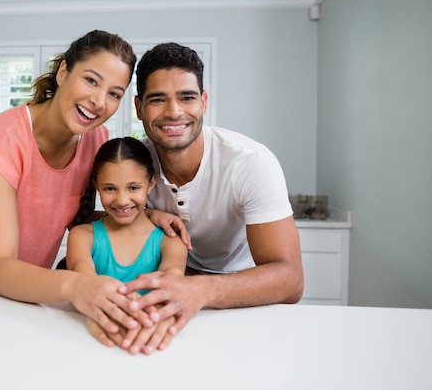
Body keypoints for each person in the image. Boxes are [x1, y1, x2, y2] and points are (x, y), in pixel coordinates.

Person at [0, 30, 182, 337]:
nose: (99, 101)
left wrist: (148, 216)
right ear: (63, 71)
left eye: (114, 93)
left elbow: (79, 219)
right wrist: (79, 285)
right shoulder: (4, 137)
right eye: (91, 80)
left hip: (29, 276)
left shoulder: (96, 140)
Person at [86, 42, 304, 353]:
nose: (174, 112)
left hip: (240, 296)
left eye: (186, 97)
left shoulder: (250, 162)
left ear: (203, 102)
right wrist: (149, 215)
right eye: (158, 99)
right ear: (138, 108)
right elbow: (89, 220)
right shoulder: (133, 163)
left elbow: (291, 280)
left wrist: (197, 289)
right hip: (160, 293)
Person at [66, 136, 187, 286]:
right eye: (110, 188)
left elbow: (171, 278)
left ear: (151, 184)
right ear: (96, 185)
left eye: (133, 188)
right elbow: (83, 275)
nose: (122, 201)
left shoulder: (171, 240)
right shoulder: (82, 236)